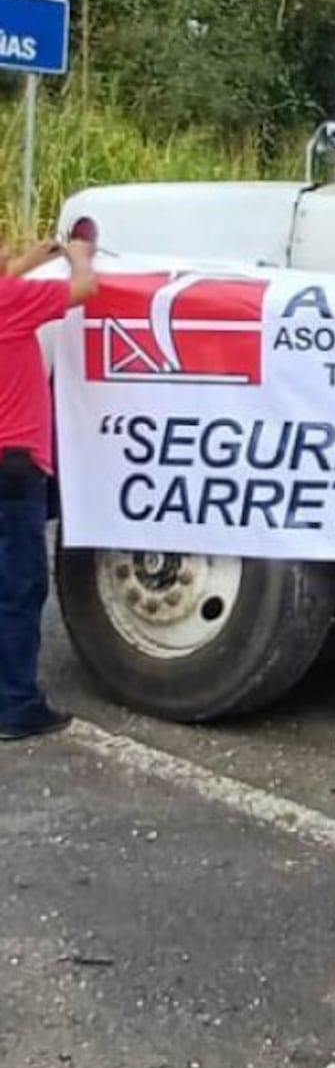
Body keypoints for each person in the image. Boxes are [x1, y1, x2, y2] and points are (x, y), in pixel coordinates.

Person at [1, 223, 98, 740]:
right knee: (20, 586)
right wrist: (81, 256)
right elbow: (84, 291)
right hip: (15, 465)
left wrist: (25, 265)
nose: (8, 250)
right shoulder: (12, 299)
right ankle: (15, 704)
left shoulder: (9, 293)